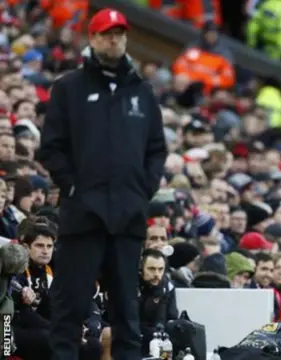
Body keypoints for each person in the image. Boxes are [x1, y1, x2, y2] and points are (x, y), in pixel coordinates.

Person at [36, 8, 168, 360]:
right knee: (70, 308)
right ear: (92, 39)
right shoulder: (69, 88)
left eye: (120, 33)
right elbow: (51, 147)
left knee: (127, 312)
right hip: (83, 217)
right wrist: (74, 188)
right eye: (107, 33)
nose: (114, 39)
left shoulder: (142, 92)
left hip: (127, 219)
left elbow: (156, 149)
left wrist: (143, 191)